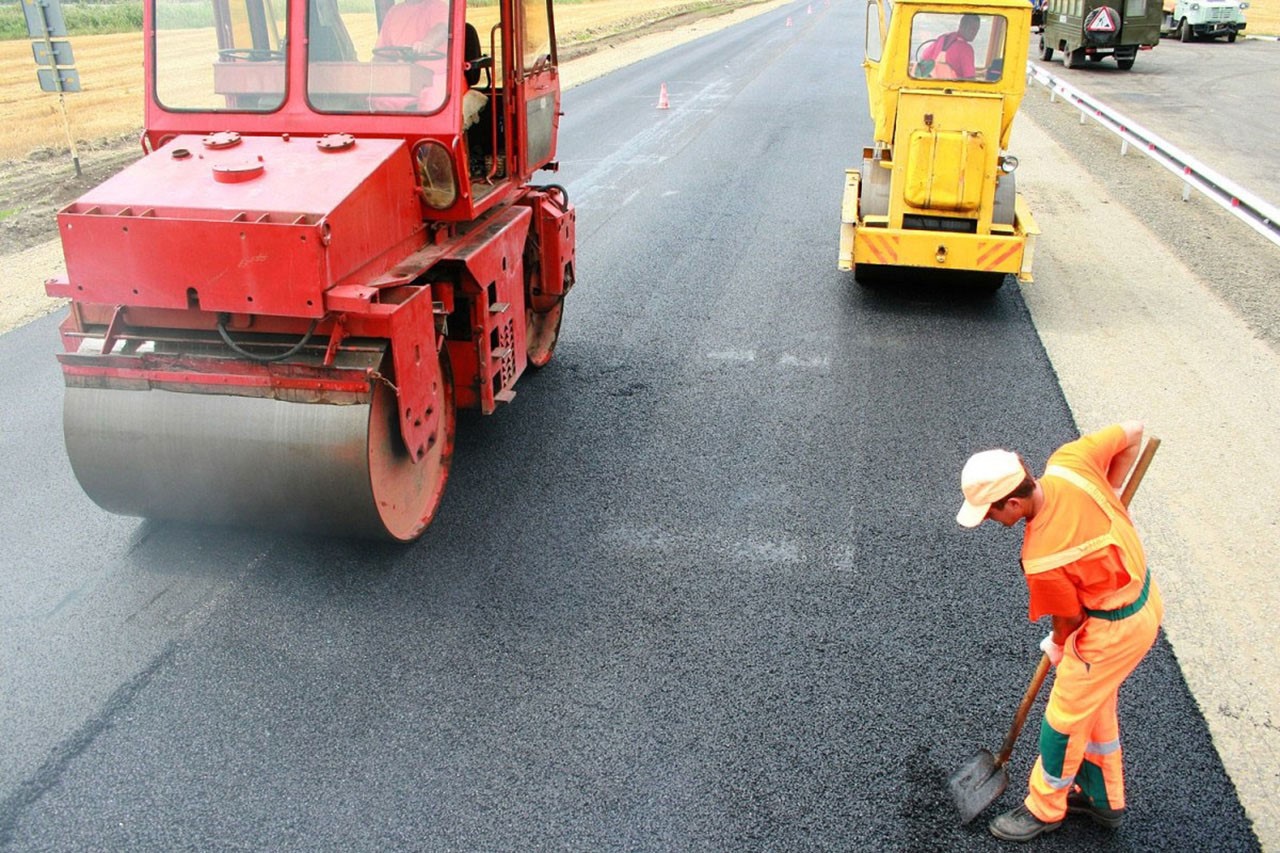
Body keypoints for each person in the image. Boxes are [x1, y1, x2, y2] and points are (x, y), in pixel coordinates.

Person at [955, 422, 1164, 843]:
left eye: (992, 513)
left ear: (1013, 503)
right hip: (1142, 598)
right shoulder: (1070, 463)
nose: (992, 522)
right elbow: (1134, 432)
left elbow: (1068, 623)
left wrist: (1056, 645)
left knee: (1064, 720)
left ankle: (1045, 807)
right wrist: (1110, 496)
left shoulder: (1043, 555)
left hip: (1111, 630)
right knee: (1094, 705)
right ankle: (1104, 799)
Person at [919, 13, 981, 79]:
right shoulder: (966, 49)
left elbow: (923, 58)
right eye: (972, 28)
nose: (974, 32)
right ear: (962, 26)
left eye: (977, 29)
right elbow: (970, 79)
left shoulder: (943, 38)